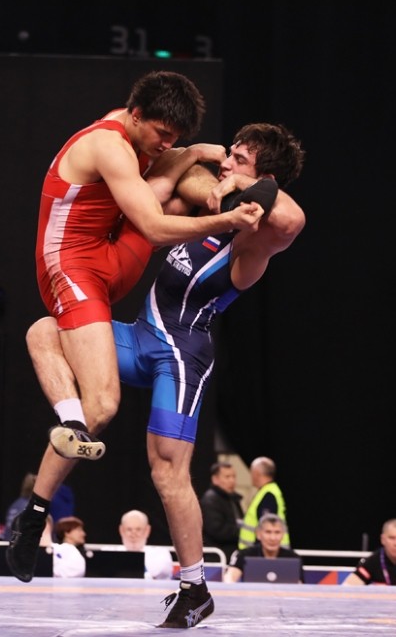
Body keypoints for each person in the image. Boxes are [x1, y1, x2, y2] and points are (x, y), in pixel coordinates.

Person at [20, 122, 306, 628]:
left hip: (182, 354)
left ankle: (195, 588)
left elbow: (291, 219)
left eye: (239, 159)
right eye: (230, 154)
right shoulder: (209, 208)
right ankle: (36, 508)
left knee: (167, 471)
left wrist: (238, 184)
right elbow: (169, 174)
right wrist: (204, 165)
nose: (226, 163)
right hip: (139, 337)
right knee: (45, 331)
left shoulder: (254, 240)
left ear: (263, 177)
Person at [224, 513, 302, 583]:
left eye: (277, 532)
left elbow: (299, 585)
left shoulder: (293, 558)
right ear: (258, 534)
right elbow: (229, 578)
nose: (273, 538)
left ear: (283, 535)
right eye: (268, 532)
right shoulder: (244, 555)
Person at [238, 456, 291, 549]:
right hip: (258, 552)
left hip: (264, 553)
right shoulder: (268, 491)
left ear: (257, 473)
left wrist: (259, 552)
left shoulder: (268, 495)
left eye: (251, 472)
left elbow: (267, 528)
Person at [200, 461, 244, 560]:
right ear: (215, 479)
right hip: (217, 557)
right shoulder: (210, 500)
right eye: (227, 477)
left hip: (231, 555)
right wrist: (243, 532)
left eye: (234, 476)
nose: (232, 480)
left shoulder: (233, 498)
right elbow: (217, 530)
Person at [118, 509, 175, 580]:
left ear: (147, 530)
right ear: (121, 530)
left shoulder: (161, 555)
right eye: (129, 529)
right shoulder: (111, 557)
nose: (133, 534)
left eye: (138, 529)